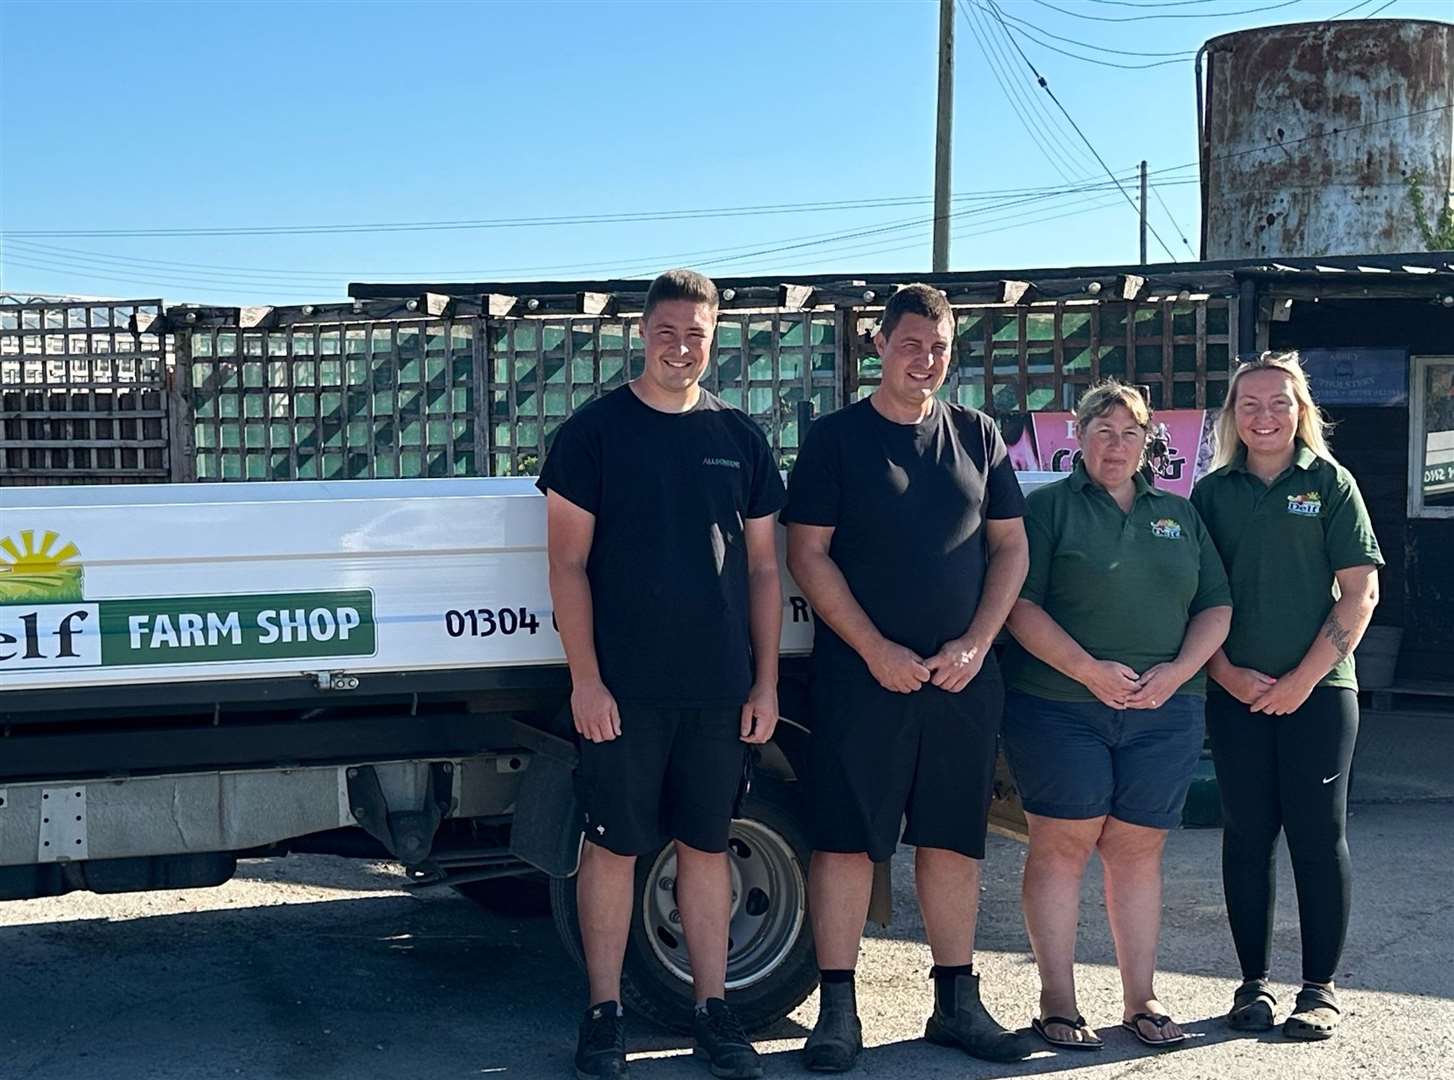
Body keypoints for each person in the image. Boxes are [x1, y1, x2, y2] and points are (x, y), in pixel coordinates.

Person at [537, 269, 786, 1080]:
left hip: (717, 690)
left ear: (717, 340)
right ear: (642, 335)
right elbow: (567, 566)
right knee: (611, 852)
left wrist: (766, 683)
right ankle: (603, 1016)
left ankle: (714, 1015)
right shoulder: (594, 434)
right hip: (623, 692)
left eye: (699, 335)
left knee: (706, 849)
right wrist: (587, 680)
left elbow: (760, 573)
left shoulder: (741, 439)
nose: (683, 348)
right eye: (668, 332)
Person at [782, 283, 1031, 1071]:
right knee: (849, 843)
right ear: (881, 346)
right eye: (912, 343)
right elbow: (807, 555)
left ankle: (956, 1002)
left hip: (961, 679)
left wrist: (977, 644)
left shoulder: (979, 436)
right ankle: (838, 1011)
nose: (926, 360)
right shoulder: (835, 441)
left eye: (940, 347)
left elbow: (1011, 550)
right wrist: (872, 649)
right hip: (864, 679)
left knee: (952, 841)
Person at [1002, 381, 1232, 1051]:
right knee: (1063, 847)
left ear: (1147, 441)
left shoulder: (1180, 514)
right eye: (1103, 430)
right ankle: (1057, 1003)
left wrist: (1178, 673)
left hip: (1165, 711)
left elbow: (1215, 607)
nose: (1116, 444)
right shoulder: (1046, 509)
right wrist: (1087, 670)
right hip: (1061, 707)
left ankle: (1142, 997)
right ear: (1078, 435)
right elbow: (1019, 606)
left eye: (1130, 432)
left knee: (1137, 853)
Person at [1191, 352, 1382, 1041]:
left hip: (1321, 694)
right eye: (1250, 404)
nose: (1265, 415)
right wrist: (1228, 675)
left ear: (1302, 411)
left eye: (1280, 402)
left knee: (1317, 835)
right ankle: (1252, 985)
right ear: (1232, 417)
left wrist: (1302, 680)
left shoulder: (1331, 484)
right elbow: (1194, 598)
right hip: (1235, 691)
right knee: (1245, 836)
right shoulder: (1212, 493)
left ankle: (1319, 989)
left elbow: (1361, 592)